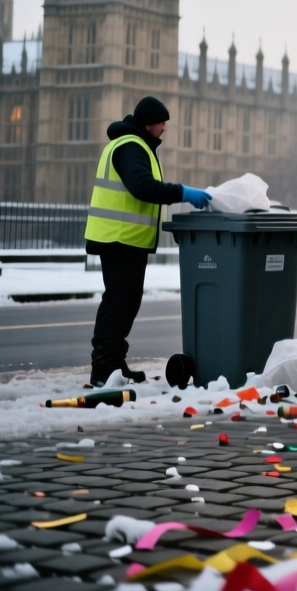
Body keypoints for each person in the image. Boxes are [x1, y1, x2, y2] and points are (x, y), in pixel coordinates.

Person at [85, 96, 213, 387]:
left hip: (126, 240)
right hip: (119, 239)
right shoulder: (131, 146)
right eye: (161, 122)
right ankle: (103, 367)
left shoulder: (135, 145)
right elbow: (142, 187)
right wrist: (183, 192)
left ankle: (114, 363)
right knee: (118, 302)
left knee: (126, 302)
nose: (165, 127)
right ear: (148, 123)